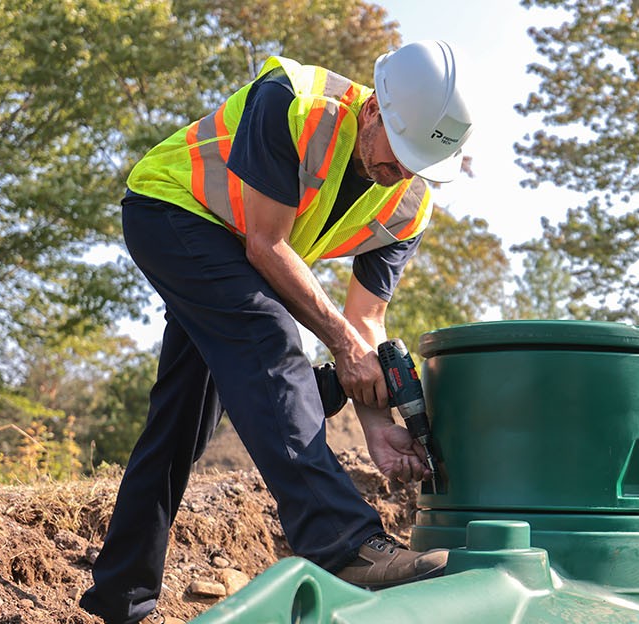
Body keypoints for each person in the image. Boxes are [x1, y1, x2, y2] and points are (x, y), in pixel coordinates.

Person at [79, 40, 474, 624]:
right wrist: (340, 346)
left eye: (419, 165)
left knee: (182, 423)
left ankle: (120, 598)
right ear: (372, 111)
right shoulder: (291, 103)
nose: (403, 173)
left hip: (238, 257)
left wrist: (377, 425)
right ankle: (343, 542)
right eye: (400, 153)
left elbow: (365, 322)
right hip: (173, 212)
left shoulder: (409, 207)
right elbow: (266, 246)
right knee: (269, 335)